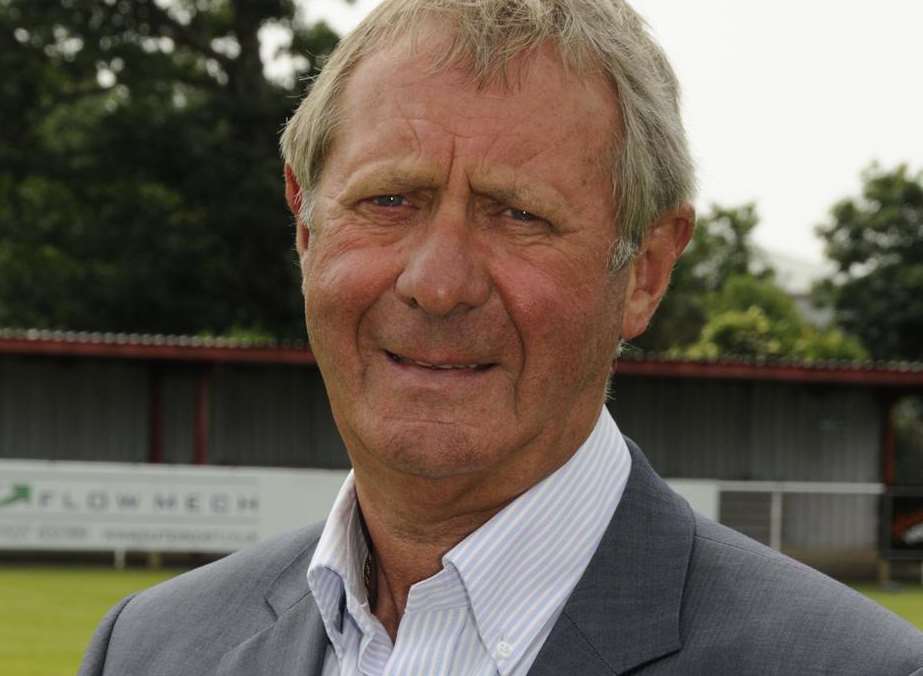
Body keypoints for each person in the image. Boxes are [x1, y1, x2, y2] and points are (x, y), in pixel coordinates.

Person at [80, 1, 923, 674]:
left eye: (518, 214)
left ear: (646, 272)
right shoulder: (150, 647)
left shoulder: (850, 665)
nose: (437, 283)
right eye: (388, 200)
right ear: (304, 223)